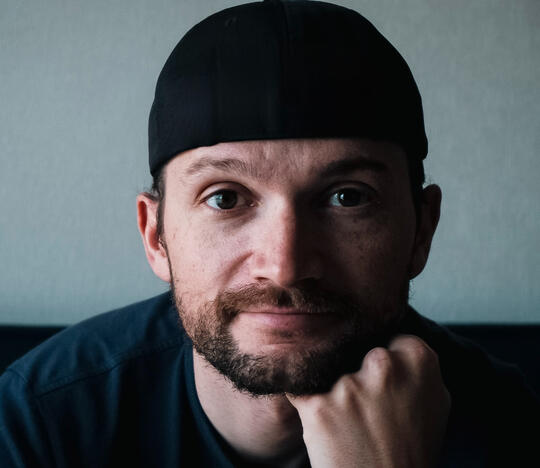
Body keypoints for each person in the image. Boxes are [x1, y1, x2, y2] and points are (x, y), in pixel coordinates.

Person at [0, 1, 538, 466]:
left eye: (347, 197)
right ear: (156, 237)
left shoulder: (510, 425)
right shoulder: (38, 423)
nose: (285, 266)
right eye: (225, 198)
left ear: (422, 229)